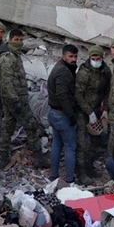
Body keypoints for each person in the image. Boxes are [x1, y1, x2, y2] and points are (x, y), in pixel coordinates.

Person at [0, 29, 45, 168]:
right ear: (10, 40)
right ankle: (39, 158)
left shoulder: (15, 55)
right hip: (15, 99)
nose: (19, 42)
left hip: (16, 98)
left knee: (8, 127)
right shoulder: (7, 58)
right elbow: (6, 83)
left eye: (20, 40)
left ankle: (4, 157)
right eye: (16, 39)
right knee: (31, 126)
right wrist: (15, 100)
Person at [75, 44, 111, 182]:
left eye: (98, 57)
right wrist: (89, 112)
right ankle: (81, 172)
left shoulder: (106, 71)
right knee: (83, 142)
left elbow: (108, 91)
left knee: (95, 142)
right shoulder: (84, 72)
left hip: (98, 109)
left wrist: (105, 108)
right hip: (83, 111)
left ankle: (90, 168)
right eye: (93, 58)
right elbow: (78, 94)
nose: (96, 60)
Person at [46, 44, 79, 184]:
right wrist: (71, 115)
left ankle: (54, 175)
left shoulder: (60, 67)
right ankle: (70, 179)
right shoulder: (63, 72)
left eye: (75, 56)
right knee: (70, 147)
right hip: (61, 114)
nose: (73, 59)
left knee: (57, 144)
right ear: (64, 56)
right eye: (70, 56)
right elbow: (62, 95)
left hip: (54, 113)